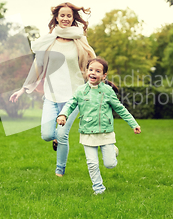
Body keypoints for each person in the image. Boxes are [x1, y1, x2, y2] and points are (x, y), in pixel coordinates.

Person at [9, 2, 96, 177]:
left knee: (63, 134)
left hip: (73, 97)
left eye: (69, 16)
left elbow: (92, 64)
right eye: (62, 15)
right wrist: (23, 89)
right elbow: (37, 66)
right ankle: (55, 139)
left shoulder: (80, 40)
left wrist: (96, 84)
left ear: (73, 19)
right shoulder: (48, 40)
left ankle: (59, 171)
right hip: (51, 95)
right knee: (47, 134)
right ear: (56, 17)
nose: (65, 18)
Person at [57, 57, 141, 194]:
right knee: (92, 164)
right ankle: (98, 188)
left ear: (103, 75)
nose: (93, 73)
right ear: (86, 72)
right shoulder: (80, 91)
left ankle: (113, 151)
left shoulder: (107, 91)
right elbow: (70, 104)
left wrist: (133, 124)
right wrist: (63, 115)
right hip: (87, 132)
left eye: (97, 71)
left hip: (105, 132)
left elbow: (120, 109)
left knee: (110, 164)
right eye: (90, 70)